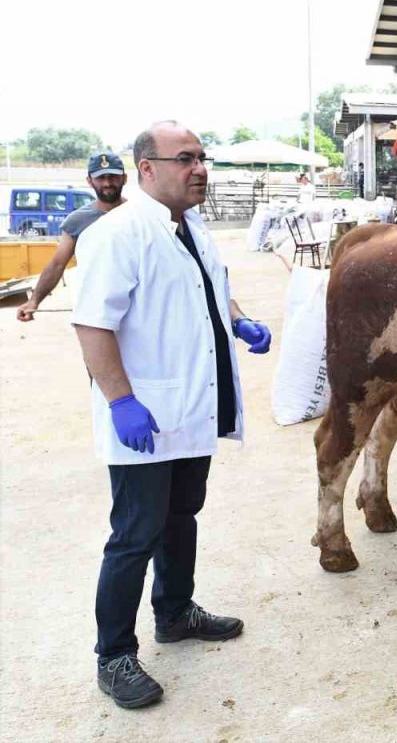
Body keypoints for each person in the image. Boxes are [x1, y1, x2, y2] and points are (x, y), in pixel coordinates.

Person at [72, 121, 273, 710]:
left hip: (191, 409)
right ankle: (113, 655)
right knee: (134, 534)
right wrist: (120, 402)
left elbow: (214, 288)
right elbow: (92, 323)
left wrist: (236, 319)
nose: (200, 169)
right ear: (147, 169)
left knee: (182, 514)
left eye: (202, 158)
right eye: (185, 158)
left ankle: (175, 611)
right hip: (145, 414)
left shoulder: (194, 227)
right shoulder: (120, 234)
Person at [16, 152, 128, 321]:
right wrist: (34, 301)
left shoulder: (141, 214)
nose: (107, 183)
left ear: (124, 178)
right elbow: (57, 264)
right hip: (97, 310)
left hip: (138, 307)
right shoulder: (77, 220)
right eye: (101, 177)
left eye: (113, 177)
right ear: (89, 181)